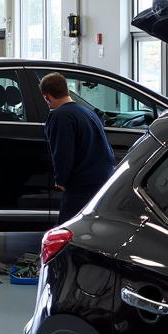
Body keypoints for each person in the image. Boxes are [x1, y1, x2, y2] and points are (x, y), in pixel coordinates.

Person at [39, 72, 116, 223]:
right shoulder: (87, 112)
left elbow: (62, 152)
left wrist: (61, 179)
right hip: (102, 179)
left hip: (81, 184)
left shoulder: (60, 116)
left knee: (68, 228)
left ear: (47, 97)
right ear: (66, 90)